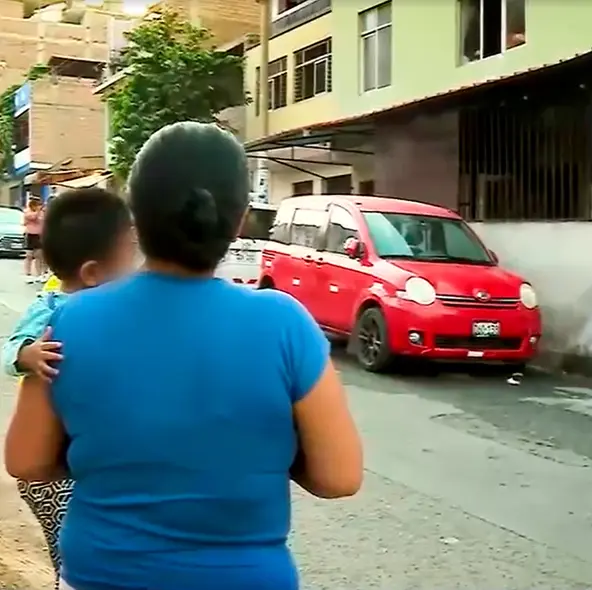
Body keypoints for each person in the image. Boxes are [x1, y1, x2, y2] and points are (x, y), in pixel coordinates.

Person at [4, 121, 363, 590]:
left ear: (136, 220)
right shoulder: (283, 323)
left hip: (102, 574)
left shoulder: (72, 320)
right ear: (237, 221)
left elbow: (26, 461)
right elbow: (338, 477)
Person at [1, 187, 136, 586]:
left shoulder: (108, 308)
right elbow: (14, 347)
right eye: (129, 250)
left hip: (65, 463)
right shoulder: (55, 308)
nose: (137, 262)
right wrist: (29, 356)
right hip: (53, 475)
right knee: (74, 549)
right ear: (93, 273)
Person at [23, 195, 45, 282]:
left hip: (39, 235)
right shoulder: (27, 212)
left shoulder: (42, 213)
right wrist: (38, 212)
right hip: (30, 235)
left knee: (39, 255)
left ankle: (39, 274)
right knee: (29, 255)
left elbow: (43, 221)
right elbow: (32, 217)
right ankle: (27, 273)